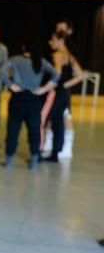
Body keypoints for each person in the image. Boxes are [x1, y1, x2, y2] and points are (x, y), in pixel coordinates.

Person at [0, 40, 58, 169]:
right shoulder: (41, 61)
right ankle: (34, 160)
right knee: (34, 130)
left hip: (18, 98)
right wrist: (44, 89)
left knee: (13, 129)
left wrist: (11, 85)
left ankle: (9, 161)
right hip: (34, 99)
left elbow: (2, 72)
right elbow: (56, 75)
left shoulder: (15, 59)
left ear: (23, 47)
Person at [42, 31, 85, 161]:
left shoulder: (57, 55)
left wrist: (49, 87)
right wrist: (65, 86)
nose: (50, 42)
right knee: (58, 122)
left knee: (43, 119)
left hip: (55, 92)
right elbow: (81, 75)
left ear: (61, 41)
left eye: (53, 40)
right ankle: (55, 153)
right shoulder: (69, 56)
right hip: (63, 94)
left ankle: (38, 151)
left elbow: (57, 74)